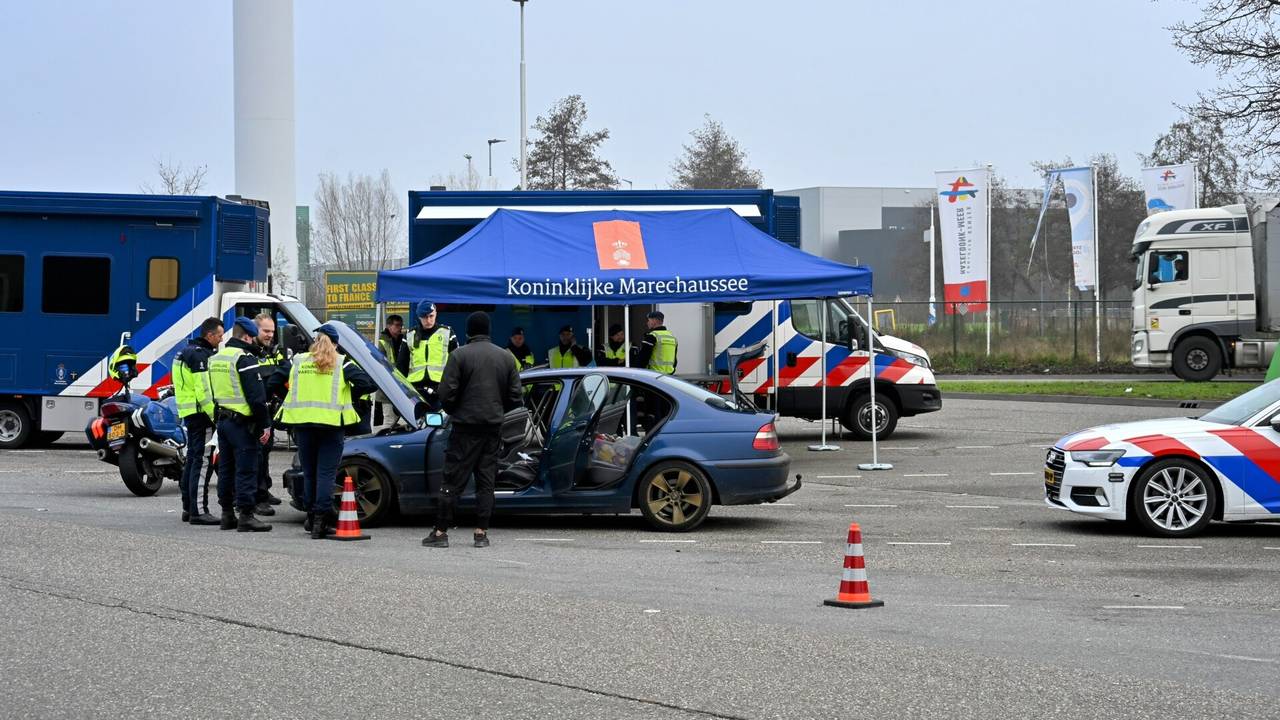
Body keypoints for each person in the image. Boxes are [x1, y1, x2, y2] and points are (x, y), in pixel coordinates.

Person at [423, 311, 521, 549]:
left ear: (468, 331)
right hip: (492, 427)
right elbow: (516, 396)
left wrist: (456, 410)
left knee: (452, 479)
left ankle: (441, 532)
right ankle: (481, 532)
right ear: (488, 330)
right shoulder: (506, 357)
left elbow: (446, 393)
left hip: (464, 427)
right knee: (486, 480)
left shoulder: (459, 355)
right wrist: (496, 409)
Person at [270, 325, 376, 538]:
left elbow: (273, 382)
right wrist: (349, 393)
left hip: (302, 424)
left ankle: (310, 518)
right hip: (331, 426)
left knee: (309, 473)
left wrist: (290, 394)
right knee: (326, 474)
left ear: (315, 340)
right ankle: (321, 522)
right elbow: (369, 384)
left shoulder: (298, 360)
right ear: (336, 344)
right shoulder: (342, 363)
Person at [208, 316, 273, 533]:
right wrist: (265, 425)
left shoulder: (217, 358)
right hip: (243, 425)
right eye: (252, 337)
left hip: (223, 421)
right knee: (246, 470)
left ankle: (227, 514)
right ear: (246, 337)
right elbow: (256, 397)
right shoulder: (244, 358)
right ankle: (246, 516)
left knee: (226, 469)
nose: (254, 341)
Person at [172, 317, 223, 526]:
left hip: (189, 412)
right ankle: (199, 511)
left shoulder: (184, 351)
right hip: (201, 414)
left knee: (192, 461)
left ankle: (188, 507)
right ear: (209, 335)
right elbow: (204, 391)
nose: (221, 340)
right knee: (202, 462)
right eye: (219, 335)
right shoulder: (200, 356)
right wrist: (215, 416)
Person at [252, 312, 287, 516]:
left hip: (268, 409)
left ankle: (264, 490)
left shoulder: (273, 351)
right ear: (255, 330)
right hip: (255, 411)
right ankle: (258, 496)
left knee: (265, 452)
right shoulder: (250, 352)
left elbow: (284, 369)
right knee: (256, 454)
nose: (270, 335)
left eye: (272, 331)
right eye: (266, 331)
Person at [406, 301, 458, 411]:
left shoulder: (447, 333)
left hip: (439, 390)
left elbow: (457, 364)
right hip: (415, 390)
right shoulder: (410, 335)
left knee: (439, 421)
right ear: (419, 317)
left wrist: (452, 388)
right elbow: (401, 365)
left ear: (436, 314)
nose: (429, 320)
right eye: (425, 317)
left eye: (431, 316)